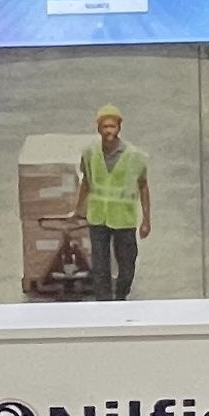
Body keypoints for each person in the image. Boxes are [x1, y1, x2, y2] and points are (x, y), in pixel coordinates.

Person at [72, 103, 150, 300]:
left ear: (119, 127)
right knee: (100, 265)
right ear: (98, 128)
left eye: (112, 126)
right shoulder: (89, 153)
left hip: (124, 219)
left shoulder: (134, 156)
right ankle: (104, 302)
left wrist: (146, 219)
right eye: (105, 126)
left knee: (126, 264)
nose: (109, 131)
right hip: (98, 217)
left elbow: (143, 186)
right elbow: (86, 182)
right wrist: (78, 208)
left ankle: (121, 295)